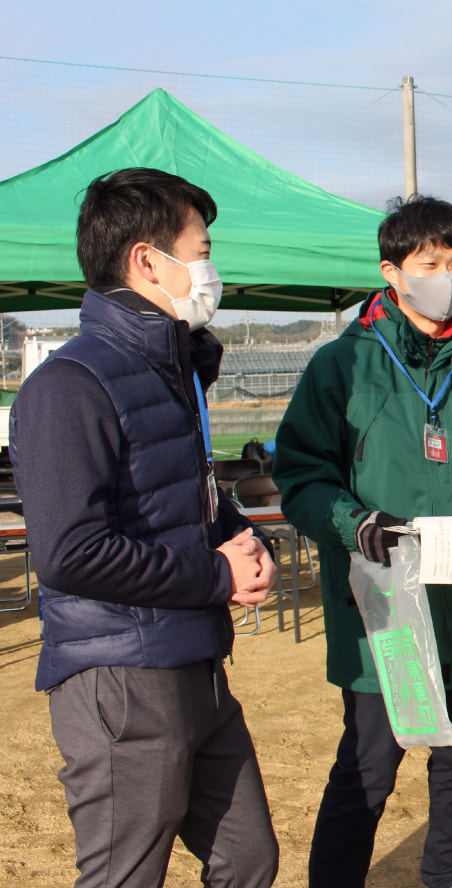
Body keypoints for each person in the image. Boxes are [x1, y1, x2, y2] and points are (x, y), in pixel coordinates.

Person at [10, 167, 279, 888]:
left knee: (248, 858)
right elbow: (70, 553)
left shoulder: (173, 373)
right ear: (146, 260)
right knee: (125, 875)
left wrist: (245, 542)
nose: (211, 270)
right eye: (202, 250)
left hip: (197, 661)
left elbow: (185, 497)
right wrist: (217, 574)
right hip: (121, 677)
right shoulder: (70, 385)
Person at [273, 195, 452, 888]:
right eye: (429, 263)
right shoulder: (342, 366)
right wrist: (353, 523)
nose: (446, 277)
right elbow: (301, 475)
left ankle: (450, 875)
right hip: (382, 608)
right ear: (392, 272)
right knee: (369, 766)